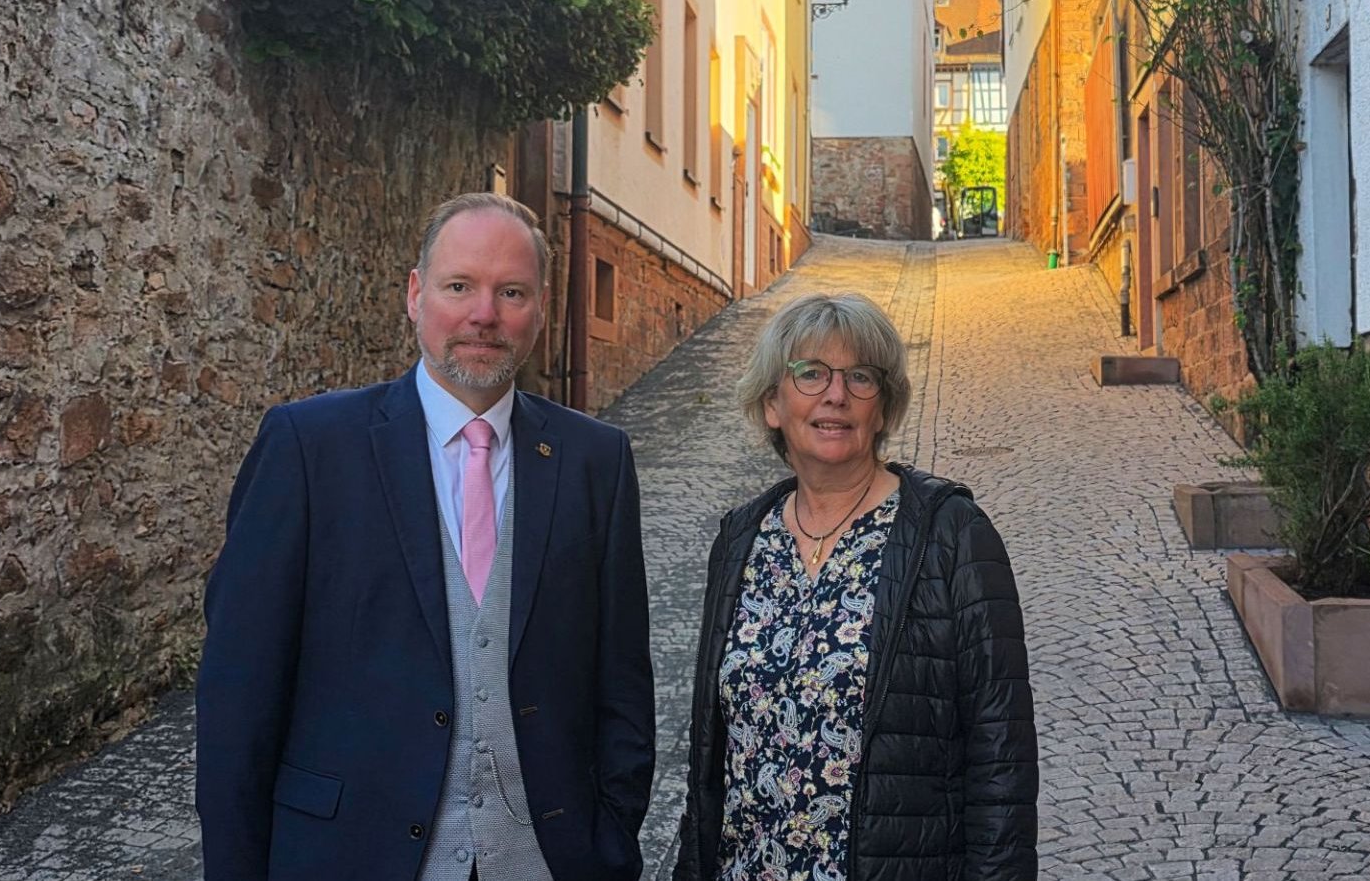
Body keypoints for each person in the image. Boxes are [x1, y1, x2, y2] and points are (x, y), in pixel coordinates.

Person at [196, 192, 655, 881]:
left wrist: (610, 839)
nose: (484, 314)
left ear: (541, 307)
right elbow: (237, 698)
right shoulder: (310, 448)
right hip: (348, 856)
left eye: (511, 291)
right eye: (459, 286)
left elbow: (623, 683)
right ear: (415, 295)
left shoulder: (596, 461)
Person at [673, 293, 1039, 881]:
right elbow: (711, 753)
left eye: (860, 377)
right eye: (810, 373)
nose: (835, 395)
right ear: (772, 403)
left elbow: (1001, 754)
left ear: (883, 408)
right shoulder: (740, 540)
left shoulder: (952, 536)